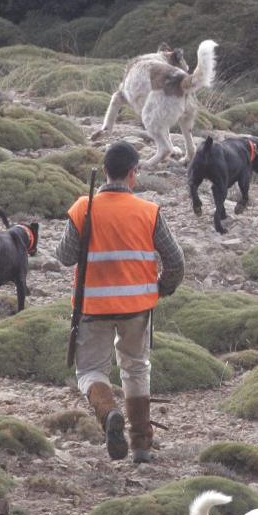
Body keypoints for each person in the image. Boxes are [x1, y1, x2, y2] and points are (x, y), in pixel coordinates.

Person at [56, 141, 184, 463]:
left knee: (90, 372)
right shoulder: (149, 212)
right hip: (138, 308)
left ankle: (109, 413)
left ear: (104, 173)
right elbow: (176, 261)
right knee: (136, 368)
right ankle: (141, 444)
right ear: (133, 174)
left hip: (92, 308)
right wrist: (160, 289)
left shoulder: (83, 208)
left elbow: (64, 256)